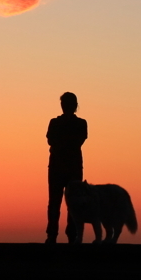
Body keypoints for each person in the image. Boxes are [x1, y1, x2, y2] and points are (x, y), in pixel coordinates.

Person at [45, 91, 87, 243]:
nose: (66, 107)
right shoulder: (55, 122)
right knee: (54, 202)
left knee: (73, 202)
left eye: (69, 104)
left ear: (75, 106)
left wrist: (62, 143)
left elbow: (77, 141)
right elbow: (51, 140)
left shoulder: (81, 123)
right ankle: (52, 235)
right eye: (65, 104)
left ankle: (71, 235)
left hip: (72, 167)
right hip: (58, 167)